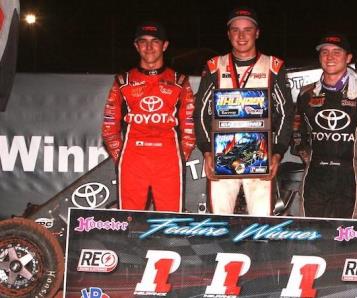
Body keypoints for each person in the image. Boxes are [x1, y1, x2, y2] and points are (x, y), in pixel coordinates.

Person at [194, 7, 294, 216]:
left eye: (247, 30)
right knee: (219, 222)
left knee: (262, 222)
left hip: (260, 156)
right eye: (235, 30)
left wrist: (277, 153)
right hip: (222, 155)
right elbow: (201, 112)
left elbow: (286, 113)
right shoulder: (214, 67)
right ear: (228, 34)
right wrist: (206, 150)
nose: (241, 36)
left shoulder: (273, 67)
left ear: (257, 33)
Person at [102, 21, 195, 211]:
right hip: (133, 161)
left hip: (168, 161)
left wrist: (179, 156)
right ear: (136, 46)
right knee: (130, 222)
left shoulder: (179, 82)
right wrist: (122, 158)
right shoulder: (123, 81)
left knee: (170, 223)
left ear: (165, 45)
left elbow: (189, 125)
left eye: (155, 41)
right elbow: (109, 126)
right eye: (143, 42)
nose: (149, 47)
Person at [293, 33, 357, 218]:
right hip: (315, 178)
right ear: (319, 57)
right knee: (312, 235)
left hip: (349, 178)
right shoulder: (306, 94)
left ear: (348, 57)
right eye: (325, 52)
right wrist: (308, 159)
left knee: (346, 239)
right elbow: (297, 132)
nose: (330, 57)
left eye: (337, 52)